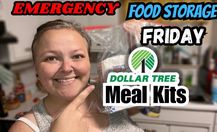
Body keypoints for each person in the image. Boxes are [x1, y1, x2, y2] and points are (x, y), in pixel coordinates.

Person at [9, 19, 143, 132]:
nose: (66, 68)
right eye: (51, 58)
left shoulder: (107, 94)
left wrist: (138, 43)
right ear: (36, 67)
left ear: (88, 61)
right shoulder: (24, 129)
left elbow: (138, 106)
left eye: (77, 56)